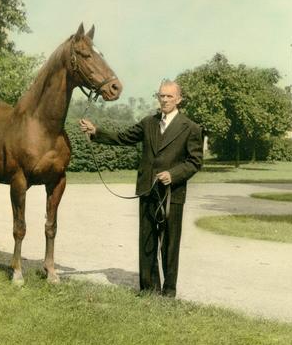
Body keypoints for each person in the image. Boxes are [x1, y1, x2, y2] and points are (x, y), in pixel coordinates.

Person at [79, 80, 203, 298]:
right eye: (161, 96)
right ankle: (148, 289)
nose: (164, 100)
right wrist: (96, 131)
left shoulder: (190, 128)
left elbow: (194, 162)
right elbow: (123, 138)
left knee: (170, 244)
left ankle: (169, 291)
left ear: (179, 100)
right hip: (147, 190)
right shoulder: (148, 123)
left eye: (169, 96)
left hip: (172, 195)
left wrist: (173, 175)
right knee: (147, 240)